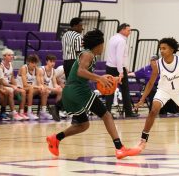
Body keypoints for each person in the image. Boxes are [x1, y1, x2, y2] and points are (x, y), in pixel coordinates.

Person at [46, 29, 140, 159]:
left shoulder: (89, 55)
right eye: (103, 44)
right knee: (107, 115)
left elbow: (84, 73)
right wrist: (99, 78)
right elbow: (80, 71)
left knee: (83, 125)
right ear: (98, 45)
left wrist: (111, 79)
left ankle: (55, 138)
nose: (104, 47)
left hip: (69, 92)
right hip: (79, 90)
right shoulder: (88, 54)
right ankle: (120, 148)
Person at [134, 37, 179, 155]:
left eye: (164, 48)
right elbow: (151, 82)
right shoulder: (157, 64)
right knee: (153, 110)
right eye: (160, 48)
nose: (161, 51)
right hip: (163, 90)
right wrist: (142, 99)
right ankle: (143, 140)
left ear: (172, 49)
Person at [105, 23, 139, 118]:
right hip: (118, 68)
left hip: (109, 67)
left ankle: (106, 113)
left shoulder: (112, 38)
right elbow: (119, 57)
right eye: (128, 30)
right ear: (122, 30)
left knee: (110, 91)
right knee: (125, 90)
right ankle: (128, 112)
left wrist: (125, 67)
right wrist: (121, 72)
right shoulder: (121, 41)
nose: (130, 32)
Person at [16, 54, 51, 120]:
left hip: (30, 89)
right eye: (32, 62)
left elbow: (39, 82)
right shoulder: (24, 68)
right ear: (28, 62)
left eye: (35, 63)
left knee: (44, 90)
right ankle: (29, 111)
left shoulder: (37, 70)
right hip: (21, 88)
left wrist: (41, 86)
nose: (34, 64)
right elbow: (25, 84)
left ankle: (43, 112)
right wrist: (37, 87)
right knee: (32, 88)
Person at [0, 48, 28, 120]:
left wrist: (16, 86)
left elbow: (12, 78)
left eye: (12, 55)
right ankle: (13, 112)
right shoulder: (1, 66)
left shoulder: (10, 64)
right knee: (11, 91)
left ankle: (21, 112)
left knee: (23, 91)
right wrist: (12, 86)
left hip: (9, 85)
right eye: (9, 55)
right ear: (4, 56)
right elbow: (1, 81)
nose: (11, 57)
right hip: (0, 85)